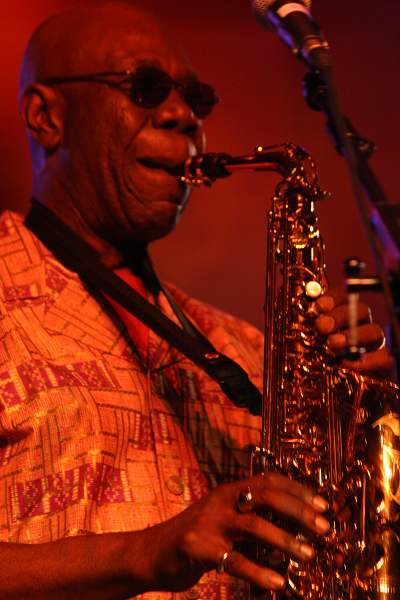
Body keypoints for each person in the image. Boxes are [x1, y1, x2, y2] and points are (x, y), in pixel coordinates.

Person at [0, 1, 392, 598]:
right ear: (46, 116)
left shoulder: (244, 347)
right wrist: (149, 550)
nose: (183, 116)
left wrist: (357, 425)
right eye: (146, 87)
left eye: (196, 99)